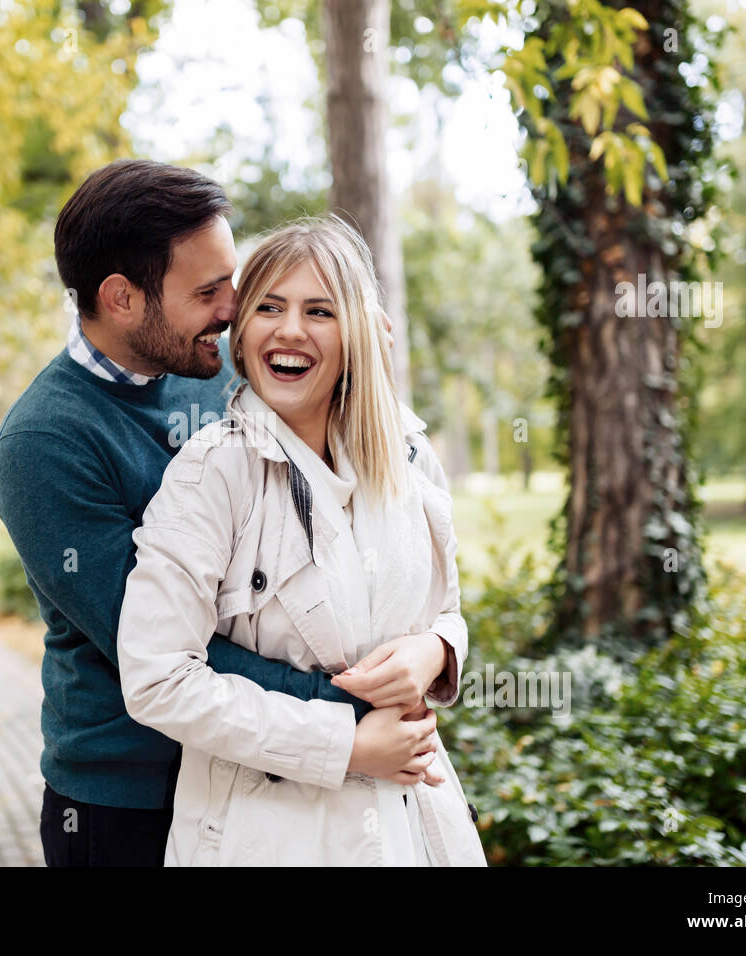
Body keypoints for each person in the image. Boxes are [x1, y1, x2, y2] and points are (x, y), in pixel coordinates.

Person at [0, 160, 444, 867]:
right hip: (128, 800)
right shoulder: (44, 443)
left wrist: (359, 363)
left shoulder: (211, 369)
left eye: (232, 282)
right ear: (121, 299)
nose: (234, 309)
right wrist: (357, 716)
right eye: (208, 291)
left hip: (268, 782)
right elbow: (156, 645)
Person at [116, 215, 488, 866]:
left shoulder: (408, 455)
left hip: (410, 824)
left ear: (357, 334)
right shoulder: (212, 473)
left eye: (320, 310)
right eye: (269, 307)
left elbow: (446, 611)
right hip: (267, 834)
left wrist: (436, 651)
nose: (290, 330)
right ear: (243, 329)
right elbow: (157, 679)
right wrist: (342, 745)